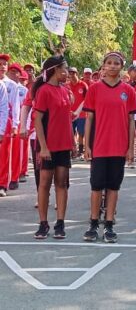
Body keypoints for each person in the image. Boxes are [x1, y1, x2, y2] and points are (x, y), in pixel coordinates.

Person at [83, 52, 136, 243]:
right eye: (109, 63)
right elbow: (89, 118)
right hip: (99, 145)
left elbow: (131, 121)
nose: (113, 66)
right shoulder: (94, 89)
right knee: (96, 186)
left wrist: (131, 147)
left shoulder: (128, 91)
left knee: (114, 186)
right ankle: (93, 223)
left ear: (122, 66)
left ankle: (109, 224)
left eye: (117, 63)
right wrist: (86, 145)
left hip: (119, 146)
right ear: (103, 66)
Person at [32, 56, 73, 239]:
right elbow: (38, 120)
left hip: (64, 145)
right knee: (44, 184)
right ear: (55, 70)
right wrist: (43, 147)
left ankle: (60, 223)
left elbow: (66, 120)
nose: (67, 72)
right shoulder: (44, 91)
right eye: (65, 69)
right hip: (48, 146)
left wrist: (71, 142)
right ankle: (43, 223)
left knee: (62, 184)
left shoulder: (65, 90)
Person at [0, 54, 21, 197]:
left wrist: (15, 125)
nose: (2, 67)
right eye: (0, 64)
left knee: (4, 155)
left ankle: (2, 184)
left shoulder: (11, 85)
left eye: (4, 65)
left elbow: (15, 108)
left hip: (6, 122)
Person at [67, 67, 88, 160]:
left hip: (82, 114)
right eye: (70, 73)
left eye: (73, 73)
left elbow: (87, 99)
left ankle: (80, 151)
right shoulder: (67, 86)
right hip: (70, 114)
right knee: (71, 133)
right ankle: (73, 151)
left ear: (77, 73)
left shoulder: (83, 85)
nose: (71, 75)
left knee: (81, 133)